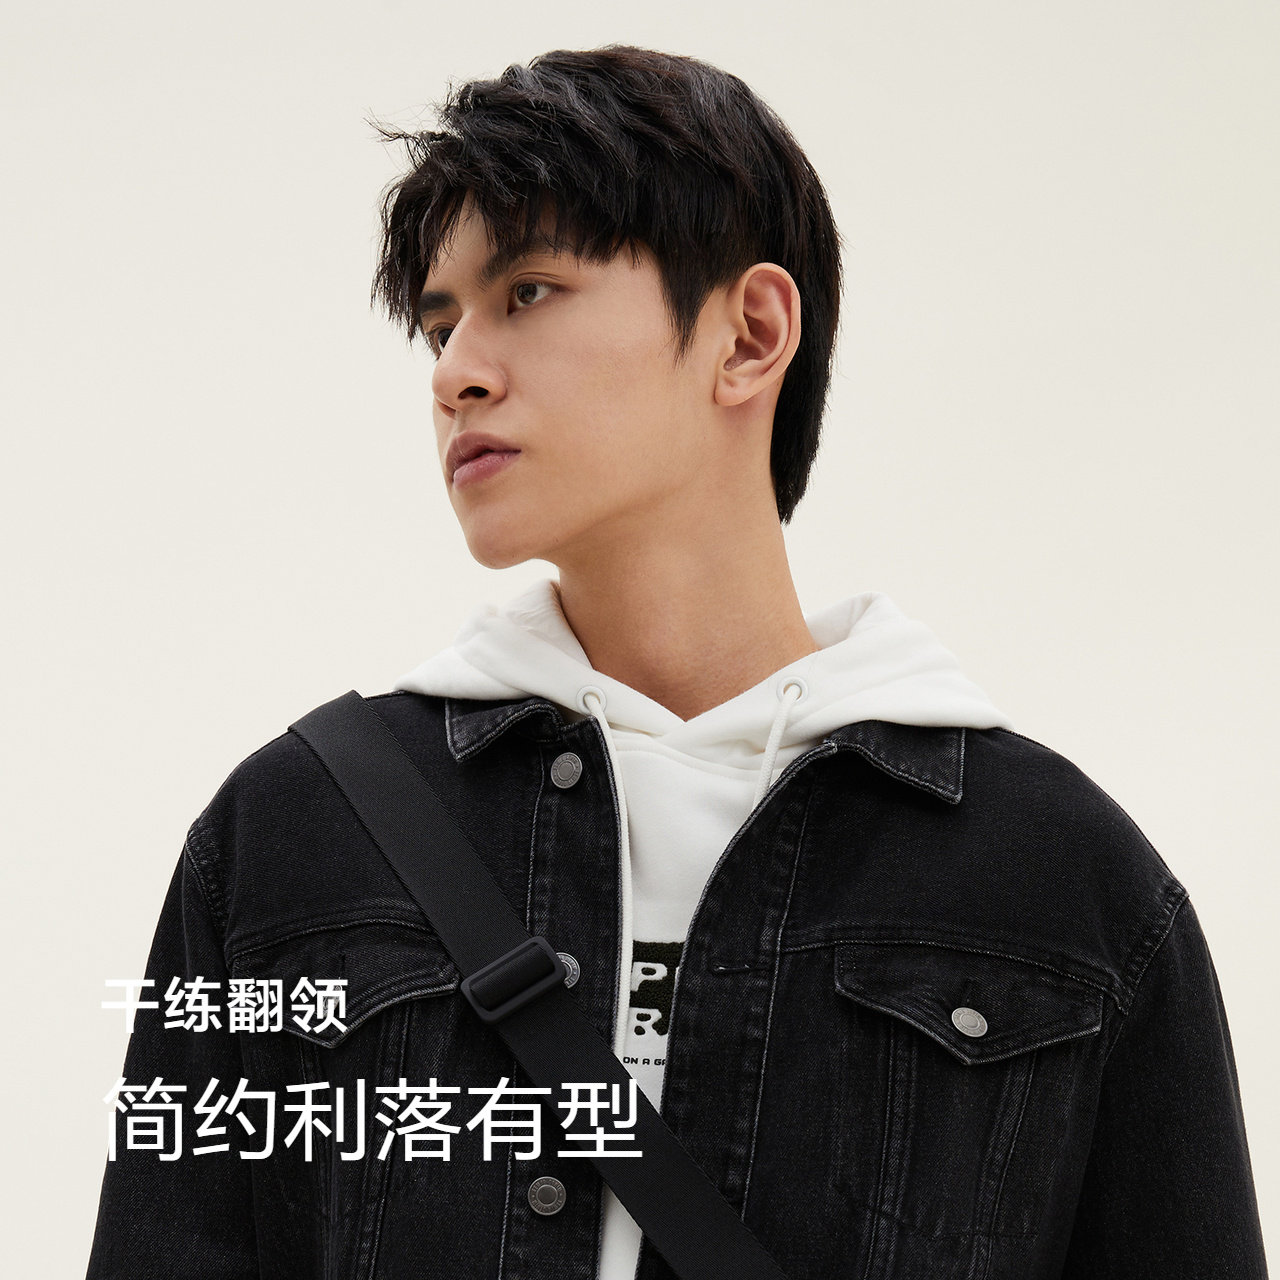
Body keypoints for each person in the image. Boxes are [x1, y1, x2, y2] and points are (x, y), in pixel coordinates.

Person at [86, 44, 1267, 1280]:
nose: (454, 372)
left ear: (747, 335)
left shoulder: (1063, 885)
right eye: (439, 325)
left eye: (527, 290)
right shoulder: (295, 832)